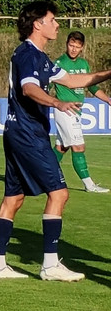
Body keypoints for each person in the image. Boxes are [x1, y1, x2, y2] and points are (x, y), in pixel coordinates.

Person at [0, 1, 111, 283]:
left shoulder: (41, 57)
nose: (57, 25)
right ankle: (50, 264)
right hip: (28, 133)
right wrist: (56, 102)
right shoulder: (28, 55)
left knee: (14, 197)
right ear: (38, 24)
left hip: (19, 132)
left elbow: (74, 81)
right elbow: (29, 88)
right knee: (59, 194)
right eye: (53, 20)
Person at [52, 31, 111, 193]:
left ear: (82, 47)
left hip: (76, 112)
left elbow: (91, 86)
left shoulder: (84, 64)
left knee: (61, 147)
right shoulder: (59, 63)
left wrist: (107, 99)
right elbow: (47, 86)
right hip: (66, 111)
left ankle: (39, 176)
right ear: (66, 44)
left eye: (77, 47)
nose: (73, 49)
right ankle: (89, 185)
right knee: (78, 146)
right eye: (71, 45)